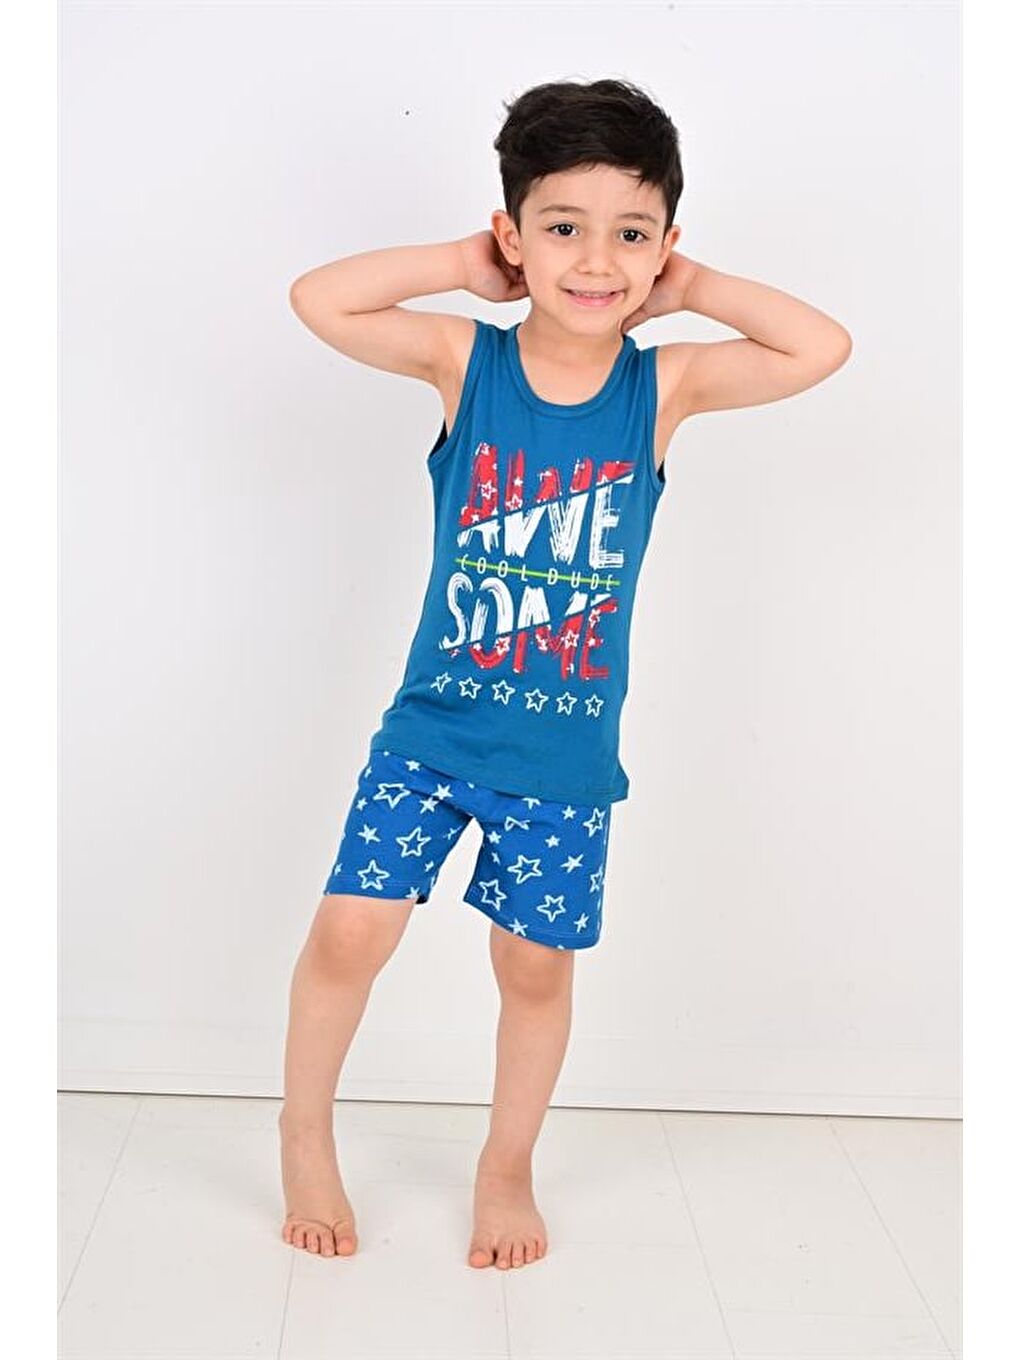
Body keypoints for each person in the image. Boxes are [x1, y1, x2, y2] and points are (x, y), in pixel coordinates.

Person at [278, 77, 852, 1270]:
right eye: (563, 227)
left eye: (631, 234)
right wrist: (460, 264)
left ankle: (507, 1165)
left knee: (534, 966)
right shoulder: (466, 363)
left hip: (563, 761)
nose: (596, 261)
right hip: (431, 738)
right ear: (515, 236)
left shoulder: (663, 389)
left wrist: (692, 287)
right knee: (348, 932)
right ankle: (303, 1130)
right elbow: (318, 299)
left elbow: (821, 347)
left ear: (664, 247)